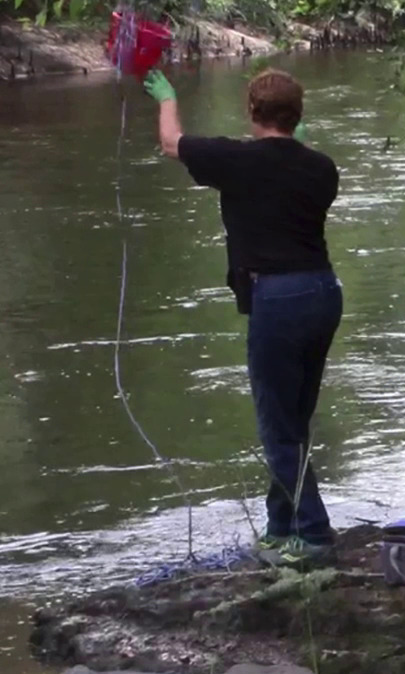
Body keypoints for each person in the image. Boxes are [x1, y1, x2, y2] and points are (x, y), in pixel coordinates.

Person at [141, 67, 342, 566]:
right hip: (323, 293)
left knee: (278, 424)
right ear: (298, 115)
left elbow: (171, 143)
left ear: (252, 111)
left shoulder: (236, 160)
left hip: (277, 299)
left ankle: (313, 535)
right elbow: (293, 169)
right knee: (293, 417)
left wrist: (166, 97)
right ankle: (280, 527)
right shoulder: (322, 168)